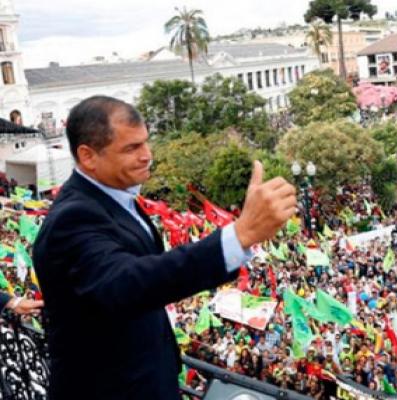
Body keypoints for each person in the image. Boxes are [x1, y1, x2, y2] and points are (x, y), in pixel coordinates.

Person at [32, 96, 297, 400]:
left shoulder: (117, 196)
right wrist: (240, 234)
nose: (147, 155)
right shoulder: (72, 218)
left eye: (145, 143)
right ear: (88, 156)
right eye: (131, 148)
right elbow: (129, 283)